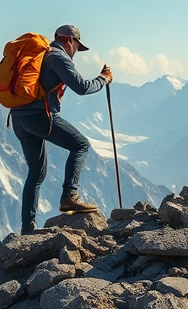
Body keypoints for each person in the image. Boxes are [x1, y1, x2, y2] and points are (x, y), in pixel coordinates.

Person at [10, 24, 113, 235]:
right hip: (39, 117)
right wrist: (103, 79)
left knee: (36, 172)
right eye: (77, 46)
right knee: (81, 145)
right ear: (69, 40)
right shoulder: (57, 57)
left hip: (19, 118)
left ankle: (27, 229)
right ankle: (70, 197)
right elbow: (82, 87)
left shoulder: (41, 55)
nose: (76, 51)